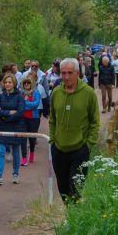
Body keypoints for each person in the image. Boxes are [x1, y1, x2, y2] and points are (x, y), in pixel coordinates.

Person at [49, 58, 100, 203]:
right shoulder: (56, 93)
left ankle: (73, 220)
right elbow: (52, 119)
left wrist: (89, 145)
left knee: (76, 189)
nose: (66, 77)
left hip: (79, 149)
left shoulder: (88, 93)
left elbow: (95, 122)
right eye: (63, 73)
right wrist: (53, 140)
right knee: (63, 189)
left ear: (77, 73)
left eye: (70, 73)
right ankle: (70, 216)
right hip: (58, 148)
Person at [0, 73, 26, 185]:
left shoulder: (19, 96)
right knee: (0, 152)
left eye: (9, 82)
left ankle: (16, 174)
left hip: (16, 127)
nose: (7, 84)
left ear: (14, 83)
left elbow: (20, 112)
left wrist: (5, 116)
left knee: (15, 151)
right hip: (2, 126)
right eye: (5, 82)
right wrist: (9, 113)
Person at [19, 76, 42, 166]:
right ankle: (24, 158)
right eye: (24, 83)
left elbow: (35, 105)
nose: (26, 84)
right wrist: (27, 105)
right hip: (23, 118)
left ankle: (32, 153)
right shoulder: (21, 94)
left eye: (28, 83)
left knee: (32, 139)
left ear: (31, 84)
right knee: (23, 137)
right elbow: (20, 105)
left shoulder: (36, 92)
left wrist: (25, 103)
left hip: (34, 118)